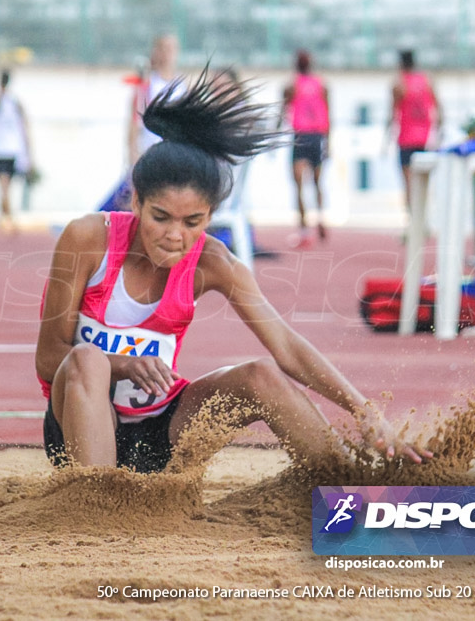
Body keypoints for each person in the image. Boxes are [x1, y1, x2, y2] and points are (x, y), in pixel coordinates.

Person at [34, 68, 431, 474]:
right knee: (88, 359)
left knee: (261, 374)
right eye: (161, 217)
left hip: (159, 433)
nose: (175, 236)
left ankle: (346, 489)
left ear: (210, 216)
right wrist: (122, 363)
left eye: (192, 222)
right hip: (76, 432)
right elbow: (49, 360)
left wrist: (365, 412)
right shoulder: (87, 239)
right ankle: (97, 504)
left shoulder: (214, 262)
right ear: (135, 202)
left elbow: (286, 346)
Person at [282, 49, 330, 246]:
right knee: (317, 183)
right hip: (317, 136)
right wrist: (329, 140)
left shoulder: (291, 85)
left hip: (301, 136)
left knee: (299, 185)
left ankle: (304, 228)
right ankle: (319, 218)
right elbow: (328, 112)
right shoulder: (321, 84)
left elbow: (282, 111)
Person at [388, 49, 442, 211]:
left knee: (408, 182)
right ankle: (423, 217)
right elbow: (438, 108)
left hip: (406, 138)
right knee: (424, 181)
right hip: (425, 137)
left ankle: (412, 220)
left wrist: (386, 140)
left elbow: (392, 113)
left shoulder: (399, 84)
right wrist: (438, 132)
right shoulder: (427, 80)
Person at [0, 69, 33, 231]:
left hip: (1, 149)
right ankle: (3, 219)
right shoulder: (15, 102)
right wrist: (28, 151)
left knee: (3, 186)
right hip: (12, 149)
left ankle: (8, 220)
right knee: (5, 187)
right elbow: (24, 127)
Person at [127, 33, 181, 169]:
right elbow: (135, 120)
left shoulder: (183, 85)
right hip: (150, 155)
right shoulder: (147, 84)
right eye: (162, 48)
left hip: (176, 156)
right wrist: (133, 157)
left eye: (170, 49)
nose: (166, 54)